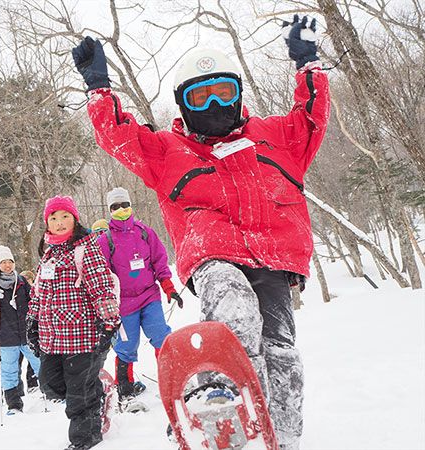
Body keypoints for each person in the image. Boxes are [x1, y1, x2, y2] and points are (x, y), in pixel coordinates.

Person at [72, 15, 329, 449]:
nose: (213, 105)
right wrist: (99, 88)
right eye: (201, 95)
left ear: (239, 94)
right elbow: (119, 136)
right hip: (213, 254)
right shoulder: (169, 151)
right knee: (234, 303)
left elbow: (309, 119)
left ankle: (281, 435)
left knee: (280, 349)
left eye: (223, 93)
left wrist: (309, 67)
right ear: (183, 103)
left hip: (274, 258)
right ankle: (215, 390)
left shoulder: (275, 137)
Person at [27, 195, 120, 450]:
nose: (59, 222)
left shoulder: (86, 248)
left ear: (75, 219)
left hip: (82, 335)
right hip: (52, 338)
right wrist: (32, 322)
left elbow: (101, 287)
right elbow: (38, 292)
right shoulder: (48, 254)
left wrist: (109, 322)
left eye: (64, 217)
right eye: (53, 218)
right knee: (50, 384)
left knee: (78, 395)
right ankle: (96, 389)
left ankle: (85, 440)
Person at [98, 187, 182, 407]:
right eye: (115, 207)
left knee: (161, 336)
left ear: (131, 206)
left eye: (124, 205)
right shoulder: (105, 240)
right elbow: (101, 274)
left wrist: (169, 287)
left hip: (148, 296)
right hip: (123, 303)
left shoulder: (145, 232)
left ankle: (171, 380)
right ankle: (125, 387)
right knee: (126, 345)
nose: (121, 210)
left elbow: (159, 262)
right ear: (110, 210)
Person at [0, 245, 41, 414]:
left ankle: (50, 394)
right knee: (9, 370)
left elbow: (34, 301)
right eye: (3, 262)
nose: (7, 265)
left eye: (10, 262)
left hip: (26, 333)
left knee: (39, 364)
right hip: (6, 335)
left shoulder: (22, 282)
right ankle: (14, 404)